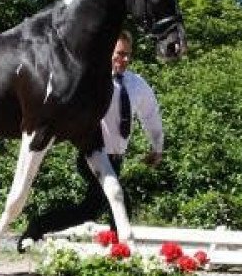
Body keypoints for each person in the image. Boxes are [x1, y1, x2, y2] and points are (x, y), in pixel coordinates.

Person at [17, 30, 164, 249]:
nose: (123, 59)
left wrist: (157, 147)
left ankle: (37, 226)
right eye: (118, 53)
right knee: (120, 200)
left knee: (89, 209)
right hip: (92, 153)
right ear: (107, 53)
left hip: (116, 158)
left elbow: (151, 115)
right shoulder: (92, 83)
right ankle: (121, 251)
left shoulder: (136, 84)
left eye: (127, 55)